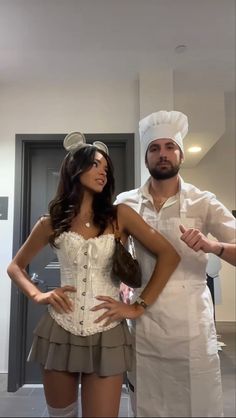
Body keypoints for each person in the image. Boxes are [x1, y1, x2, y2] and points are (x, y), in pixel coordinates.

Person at [7, 132, 180, 418]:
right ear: (75, 167)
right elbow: (15, 266)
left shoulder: (120, 215)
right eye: (96, 165)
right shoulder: (50, 222)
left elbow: (170, 255)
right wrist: (38, 294)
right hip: (59, 330)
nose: (103, 172)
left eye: (106, 168)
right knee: (61, 415)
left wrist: (138, 306)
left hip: (107, 331)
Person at [113, 110, 236, 417]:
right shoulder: (125, 203)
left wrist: (213, 246)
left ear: (180, 154)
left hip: (191, 326)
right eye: (154, 148)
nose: (162, 154)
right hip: (144, 322)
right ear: (146, 159)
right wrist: (122, 284)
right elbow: (111, 251)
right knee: (147, 405)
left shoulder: (202, 201)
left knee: (199, 405)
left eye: (170, 147)